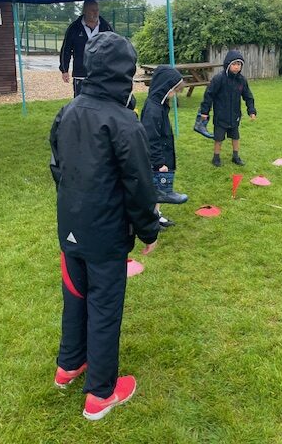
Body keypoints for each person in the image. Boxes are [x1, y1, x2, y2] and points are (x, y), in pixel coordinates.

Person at [50, 32, 160, 421]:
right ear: (122, 74)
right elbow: (139, 184)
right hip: (104, 236)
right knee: (102, 307)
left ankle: (69, 364)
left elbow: (58, 169)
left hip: (71, 231)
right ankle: (99, 392)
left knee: (76, 296)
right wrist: (148, 230)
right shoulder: (123, 122)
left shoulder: (68, 112)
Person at [140, 65, 188, 228]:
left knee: (159, 190)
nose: (174, 95)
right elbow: (151, 138)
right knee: (154, 190)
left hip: (162, 156)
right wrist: (159, 163)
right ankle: (149, 220)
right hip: (155, 161)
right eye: (173, 90)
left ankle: (156, 215)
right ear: (164, 86)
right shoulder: (153, 109)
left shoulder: (160, 105)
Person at [200, 50, 257, 167]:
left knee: (235, 137)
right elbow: (209, 95)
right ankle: (216, 157)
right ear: (228, 64)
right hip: (221, 116)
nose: (237, 67)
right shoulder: (219, 79)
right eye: (234, 64)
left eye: (239, 64)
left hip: (235, 115)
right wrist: (205, 111)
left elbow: (248, 96)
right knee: (218, 138)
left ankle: (236, 156)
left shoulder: (241, 80)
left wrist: (251, 110)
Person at [59, 0, 113, 97]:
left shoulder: (106, 27)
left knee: (101, 101)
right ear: (85, 11)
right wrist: (64, 70)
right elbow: (66, 50)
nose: (95, 13)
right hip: (81, 73)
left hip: (101, 73)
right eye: (92, 10)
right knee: (80, 101)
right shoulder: (74, 28)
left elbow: (114, 47)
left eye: (97, 10)